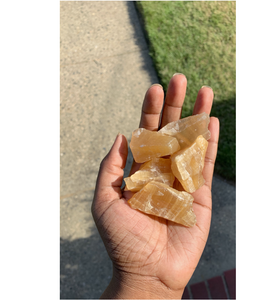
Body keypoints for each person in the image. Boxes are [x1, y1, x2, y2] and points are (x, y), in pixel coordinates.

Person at [91, 73, 220, 299]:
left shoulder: (184, 151)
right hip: (158, 180)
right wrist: (144, 281)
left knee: (178, 148)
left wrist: (147, 284)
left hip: (168, 179)